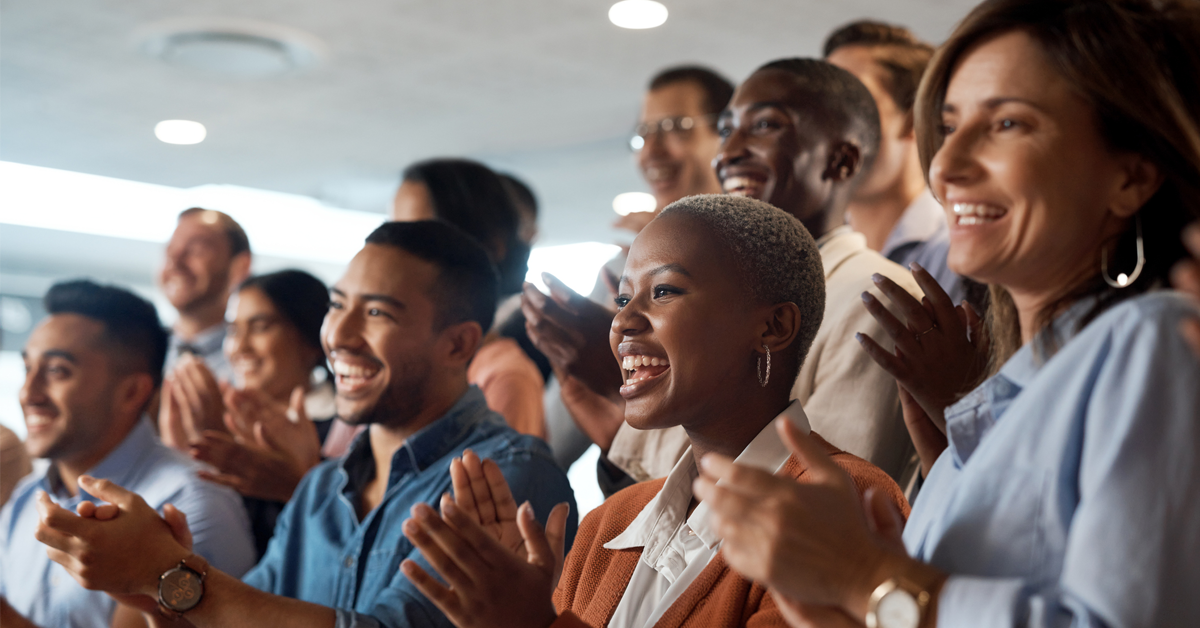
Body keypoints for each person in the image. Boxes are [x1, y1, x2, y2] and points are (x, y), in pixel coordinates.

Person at [698, 1, 1200, 626]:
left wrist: (865, 576)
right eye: (951, 123)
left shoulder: (1154, 339)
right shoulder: (982, 418)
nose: (947, 166)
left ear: (1131, 176)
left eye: (1009, 123)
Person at [35, 221, 578, 628]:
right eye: (338, 305)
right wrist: (158, 595)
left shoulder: (504, 475)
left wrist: (173, 576)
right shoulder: (322, 485)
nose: (338, 335)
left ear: (457, 343)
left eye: (377, 313)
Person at [400, 194, 907, 628]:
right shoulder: (608, 525)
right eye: (623, 298)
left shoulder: (843, 502)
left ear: (772, 328)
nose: (622, 321)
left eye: (663, 291)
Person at [603, 59, 924, 489]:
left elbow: (827, 491)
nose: (728, 151)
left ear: (841, 160)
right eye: (725, 130)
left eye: (765, 126)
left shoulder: (878, 297)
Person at [1, 280, 254, 628]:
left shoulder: (189, 502)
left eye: (58, 371)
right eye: (28, 369)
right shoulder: (24, 498)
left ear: (132, 392)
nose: (29, 393)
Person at [523, 65, 734, 471]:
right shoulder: (620, 268)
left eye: (675, 127)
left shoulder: (767, 263)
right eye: (643, 133)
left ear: (726, 134)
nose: (650, 151)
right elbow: (555, 438)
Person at [159, 269, 339, 558]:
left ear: (310, 339)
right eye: (233, 330)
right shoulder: (220, 415)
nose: (239, 347)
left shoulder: (344, 431)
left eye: (260, 327)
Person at [391, 159, 547, 438]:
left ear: (487, 247)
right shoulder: (402, 353)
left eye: (419, 235)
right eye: (392, 231)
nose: (390, 251)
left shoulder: (505, 371)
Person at [824, 21, 973, 307]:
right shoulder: (809, 253)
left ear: (915, 118)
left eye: (849, 101)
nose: (822, 121)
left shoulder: (959, 252)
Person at [159, 207, 252, 384]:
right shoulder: (136, 350)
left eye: (196, 250)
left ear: (241, 266)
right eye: (170, 250)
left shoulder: (255, 363)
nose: (175, 262)